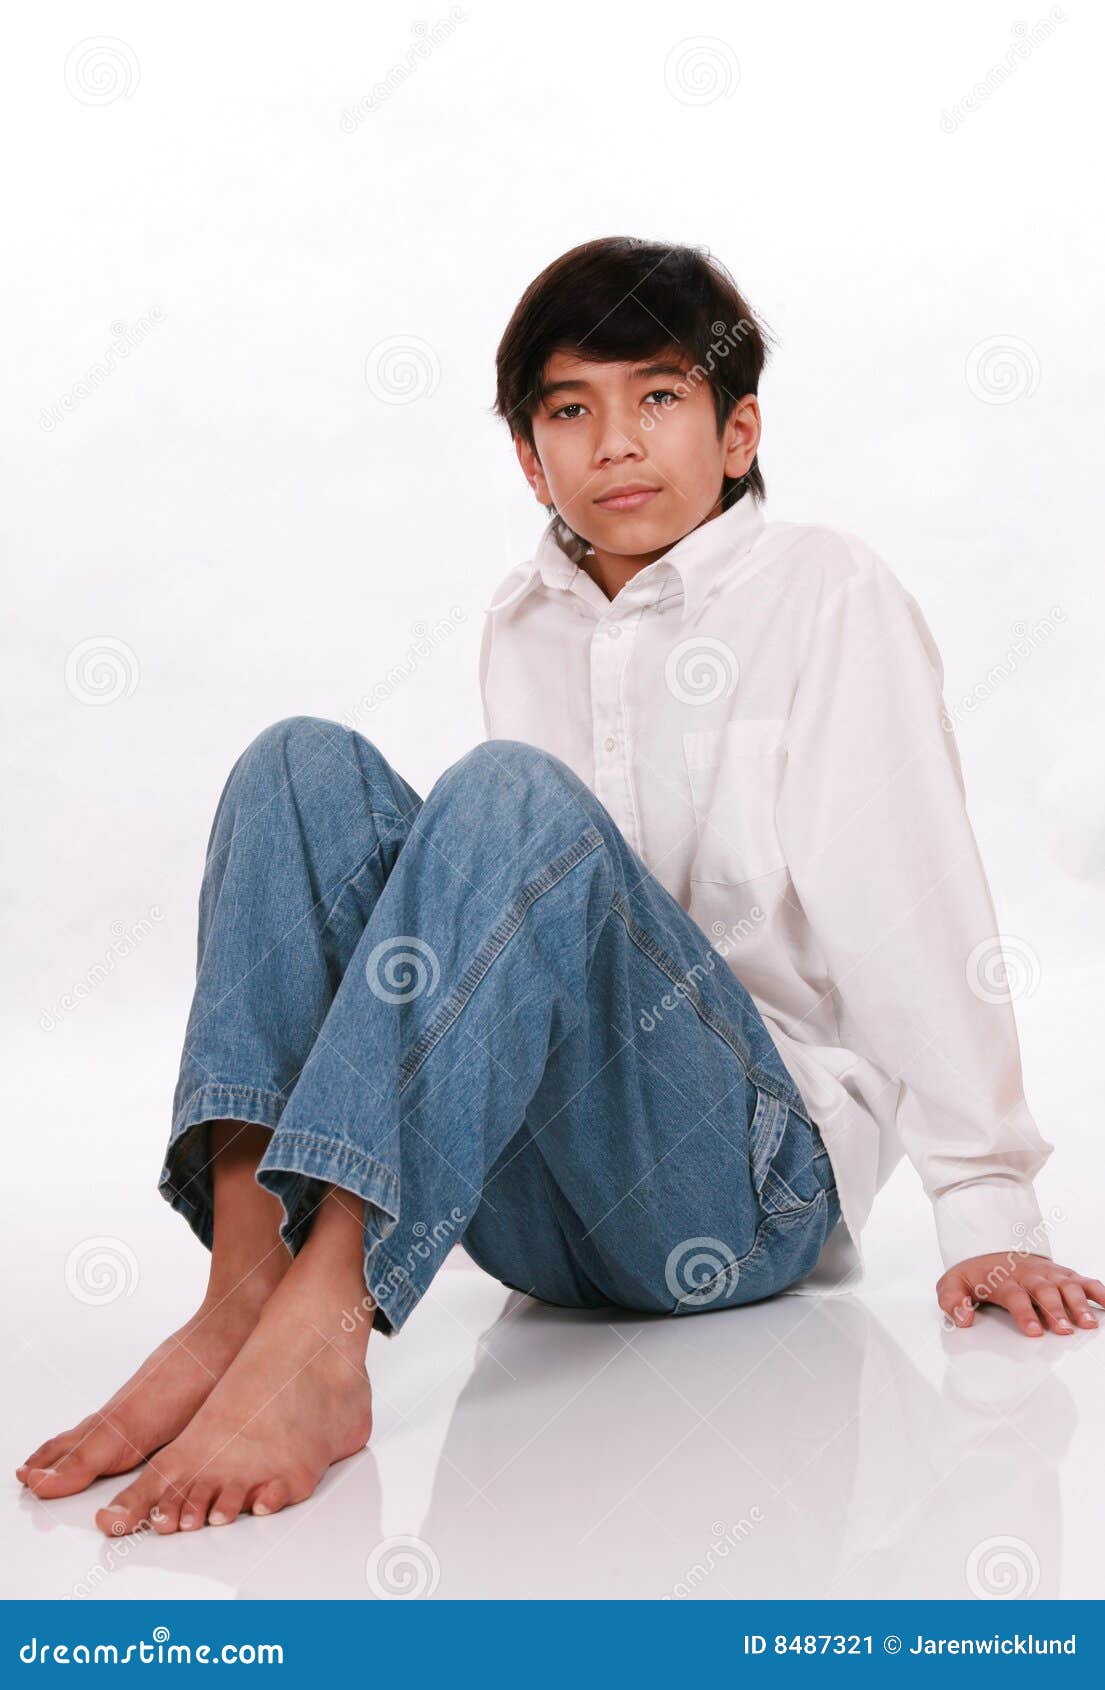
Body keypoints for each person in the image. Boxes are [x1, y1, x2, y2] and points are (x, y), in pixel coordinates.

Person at [17, 237, 1102, 1538]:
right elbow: (507, 948)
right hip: (534, 1218)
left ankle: (326, 1324)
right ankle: (247, 1290)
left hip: (744, 1190)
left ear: (738, 431)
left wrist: (986, 1202)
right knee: (295, 768)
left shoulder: (824, 591)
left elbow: (907, 899)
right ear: (531, 462)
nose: (616, 442)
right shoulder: (520, 617)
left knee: (505, 794)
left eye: (659, 397)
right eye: (570, 411)